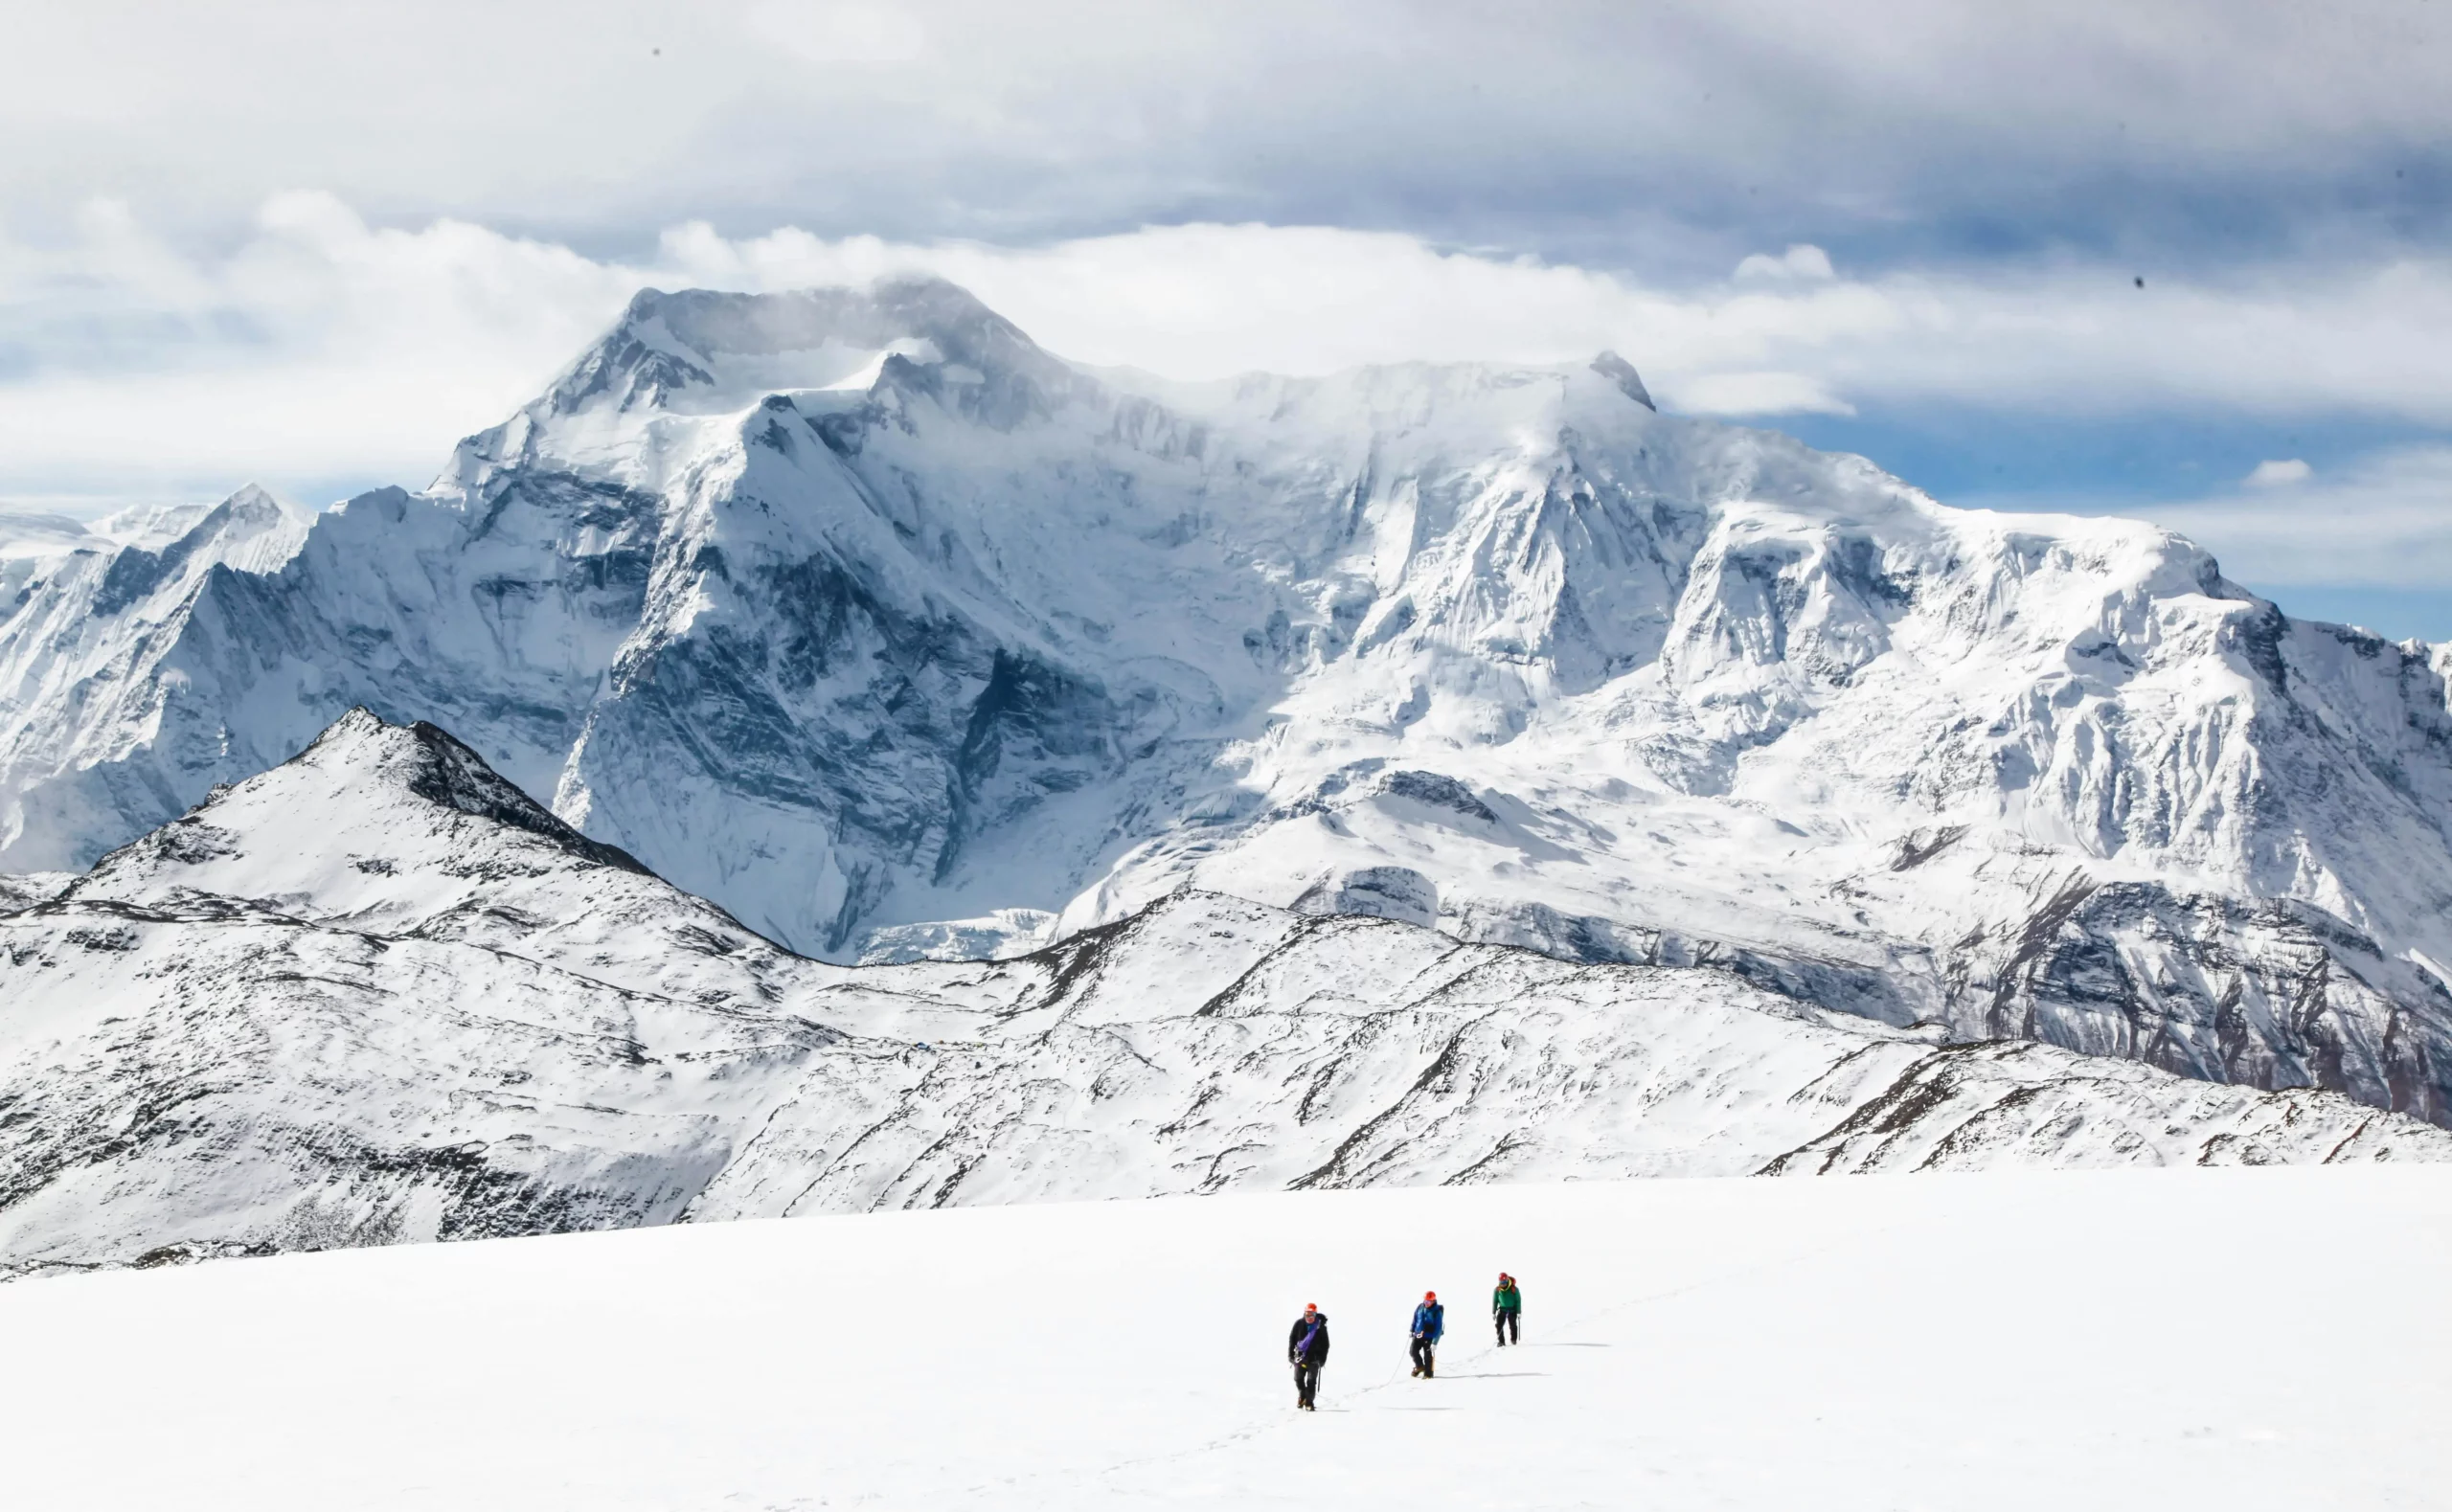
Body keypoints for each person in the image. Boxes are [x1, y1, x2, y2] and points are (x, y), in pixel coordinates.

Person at [1287, 1302, 1330, 1410]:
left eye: (1311, 1315)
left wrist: (1322, 1360)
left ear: (1315, 1315)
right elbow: (1292, 1340)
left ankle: (1309, 1402)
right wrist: (1291, 1356)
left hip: (1314, 1360)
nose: (1309, 1317)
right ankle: (1302, 1396)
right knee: (1298, 1379)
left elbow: (1326, 1345)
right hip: (1300, 1357)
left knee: (1311, 1382)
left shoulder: (1321, 1327)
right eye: (1307, 1314)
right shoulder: (1298, 1324)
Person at [1408, 1291, 1444, 1378]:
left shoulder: (1436, 1312)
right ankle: (1420, 1366)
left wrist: (1434, 1342)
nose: (1426, 1303)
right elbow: (1415, 1319)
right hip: (1418, 1334)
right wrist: (1411, 1330)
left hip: (1429, 1336)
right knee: (1413, 1351)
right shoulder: (1420, 1307)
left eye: (1428, 1302)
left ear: (1433, 1301)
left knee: (1427, 1356)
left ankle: (1428, 1374)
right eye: (1425, 1301)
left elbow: (1438, 1328)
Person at [1492, 1272, 1522, 1345]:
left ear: (1507, 1280)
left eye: (1505, 1282)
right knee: (1499, 1325)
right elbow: (1495, 1301)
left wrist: (1518, 1312)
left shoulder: (1514, 1289)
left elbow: (1518, 1300)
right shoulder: (1497, 1290)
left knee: (1513, 1326)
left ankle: (1513, 1340)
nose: (1503, 1284)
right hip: (1502, 1310)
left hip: (1512, 1310)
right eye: (1502, 1282)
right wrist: (1494, 1312)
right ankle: (1501, 1341)